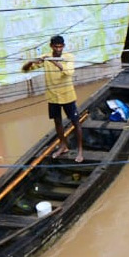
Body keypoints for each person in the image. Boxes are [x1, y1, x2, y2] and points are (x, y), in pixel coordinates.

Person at [22, 35, 84, 163]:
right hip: (53, 96)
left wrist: (52, 61)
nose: (58, 49)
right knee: (57, 122)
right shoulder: (46, 57)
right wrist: (32, 61)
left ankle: (80, 150)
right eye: (56, 47)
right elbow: (25, 70)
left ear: (63, 46)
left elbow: (68, 72)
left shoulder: (68, 57)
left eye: (60, 47)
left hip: (68, 95)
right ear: (51, 46)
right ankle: (63, 146)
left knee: (75, 122)